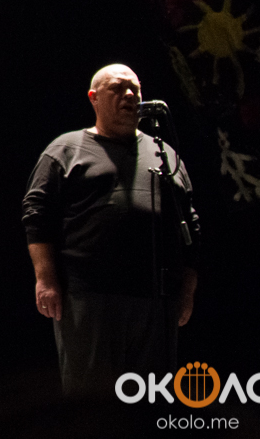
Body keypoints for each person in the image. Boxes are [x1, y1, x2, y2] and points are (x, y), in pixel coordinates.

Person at [22, 63, 198, 398]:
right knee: (93, 405)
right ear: (94, 98)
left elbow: (190, 227)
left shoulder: (164, 154)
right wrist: (45, 278)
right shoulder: (66, 149)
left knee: (151, 405)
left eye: (135, 88)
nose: (129, 94)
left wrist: (186, 290)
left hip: (155, 301)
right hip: (89, 299)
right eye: (117, 88)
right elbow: (36, 216)